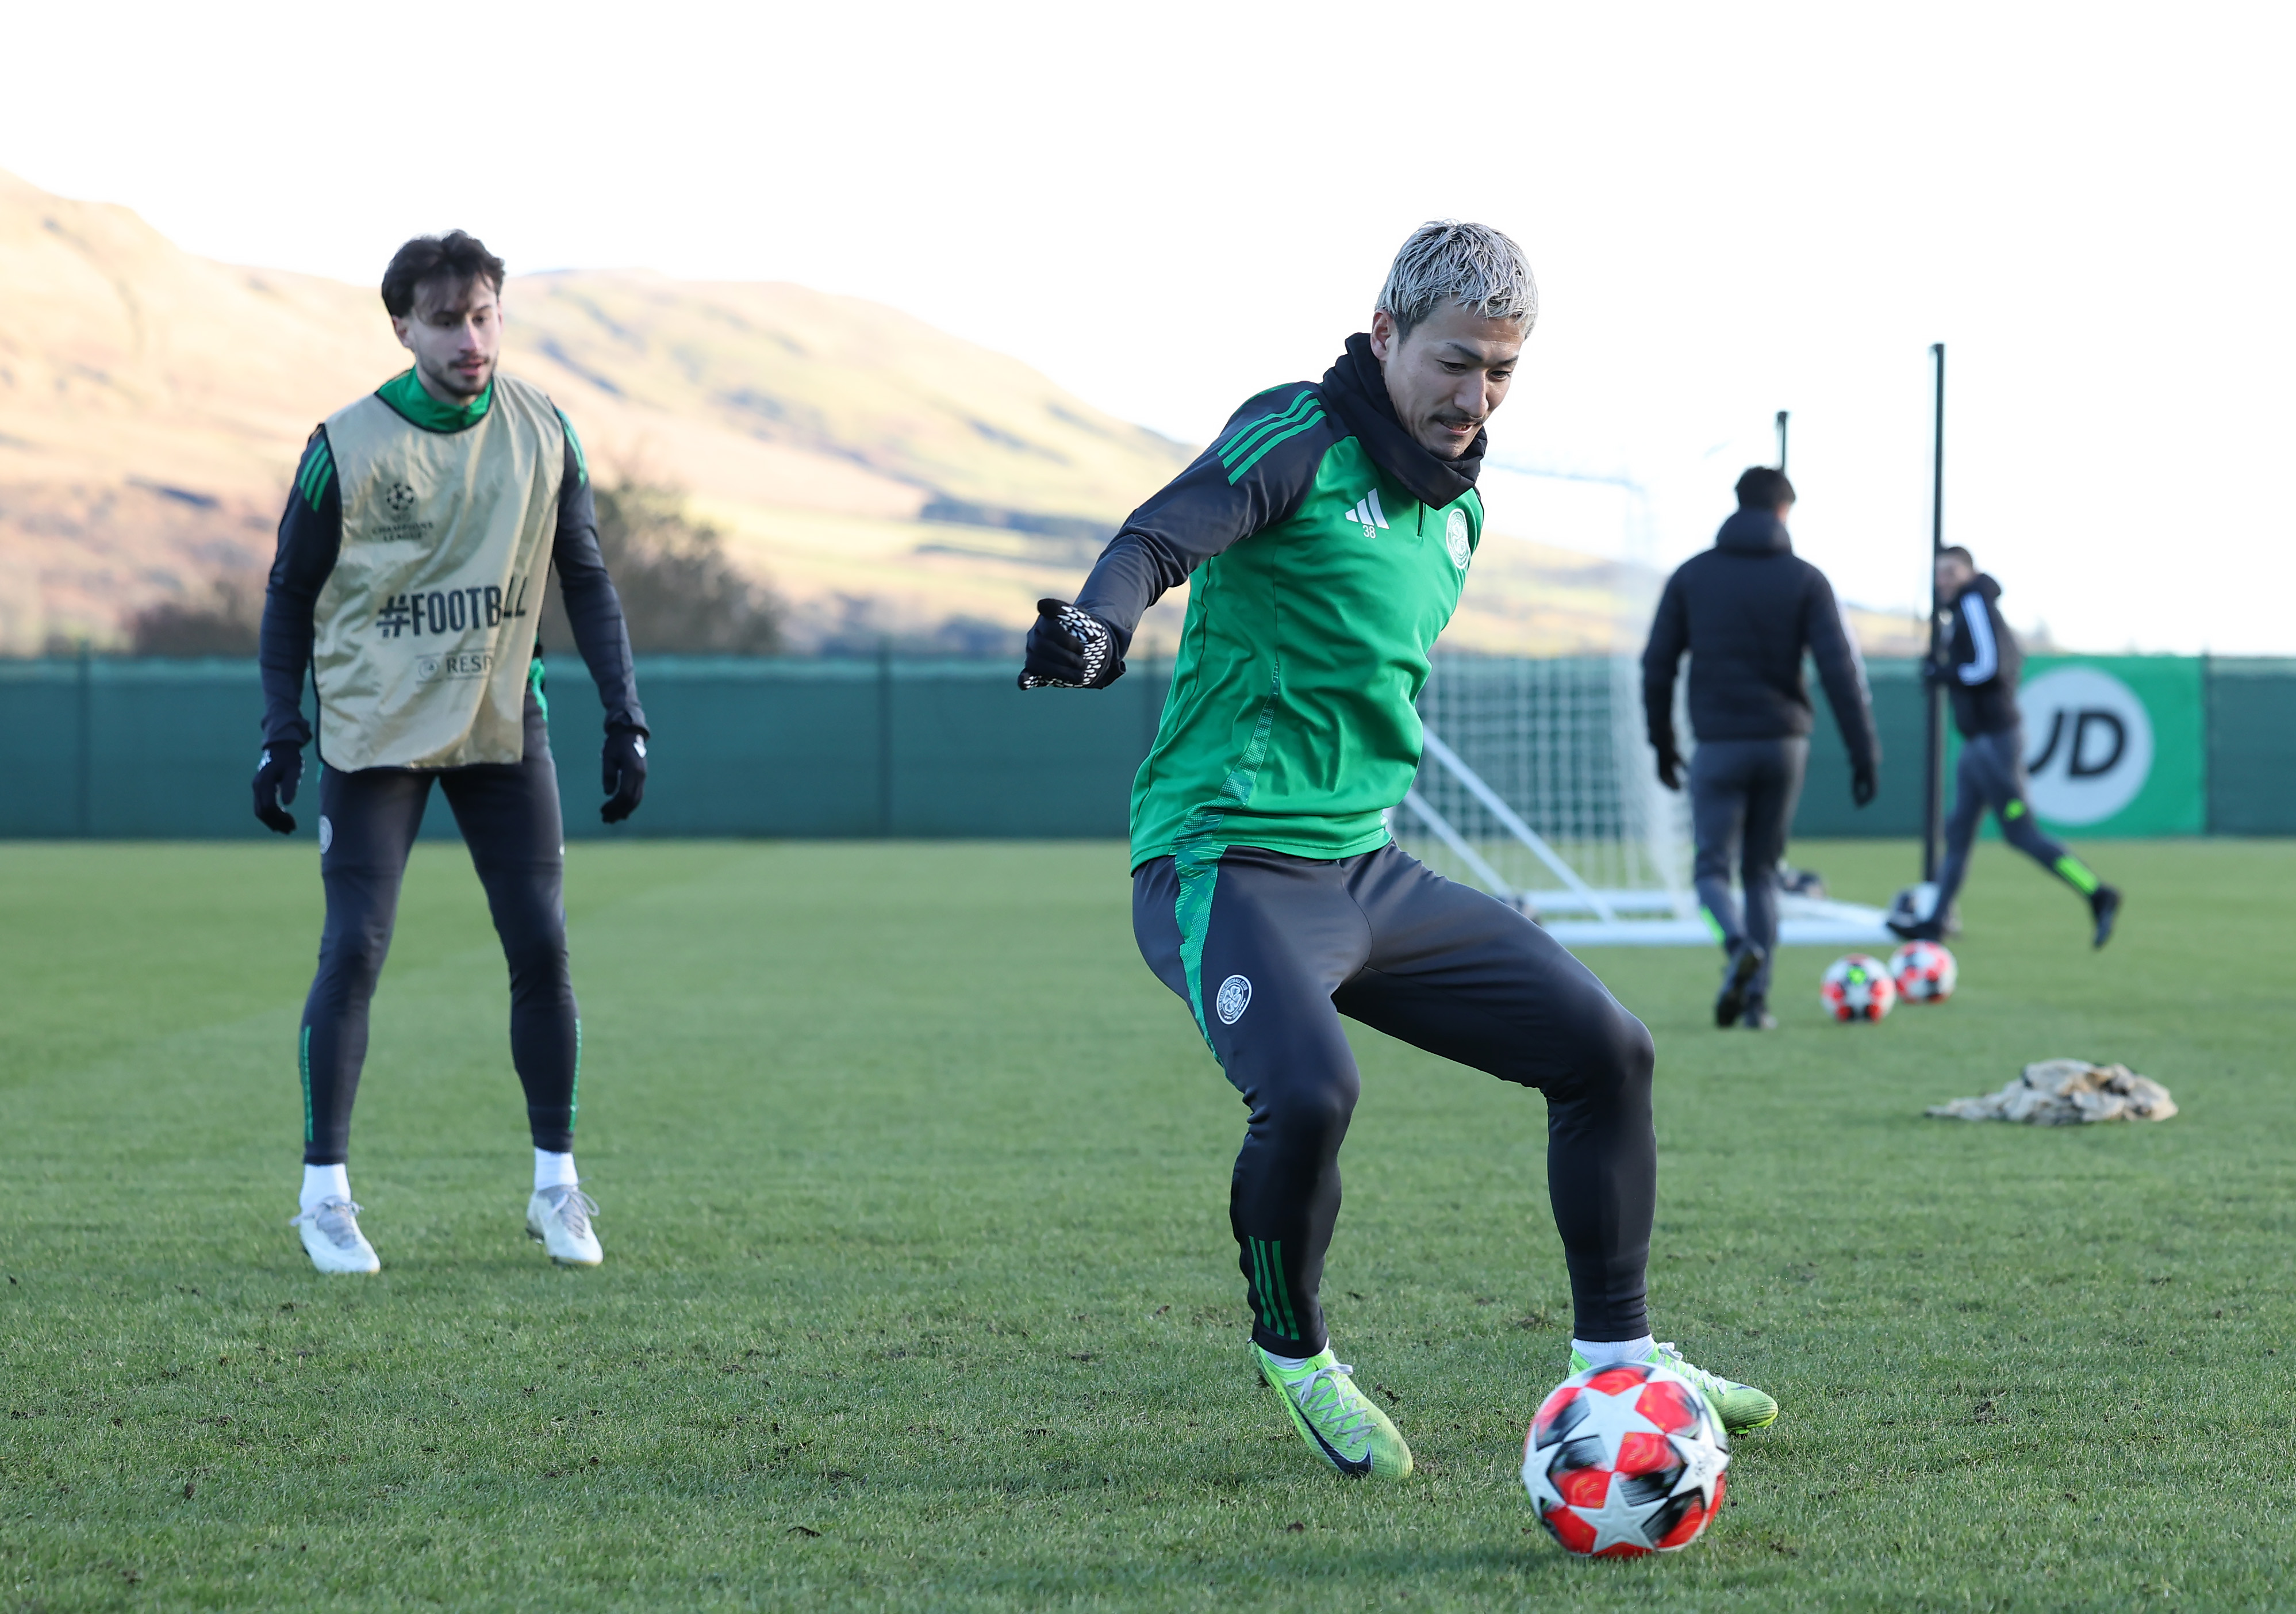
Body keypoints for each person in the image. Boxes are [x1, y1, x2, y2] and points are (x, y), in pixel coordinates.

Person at [1018, 221, 1777, 1481]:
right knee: (1310, 1092)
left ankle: (1618, 1358)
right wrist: (1097, 630)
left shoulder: (1462, 503)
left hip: (1364, 874)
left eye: (1499, 372)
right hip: (1223, 865)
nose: (1473, 396)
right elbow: (1156, 540)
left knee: (1606, 1051)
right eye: (1452, 362)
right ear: (1384, 336)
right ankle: (1296, 1350)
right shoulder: (1298, 434)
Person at [253, 231, 650, 1275]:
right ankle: (323, 1197)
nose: (470, 338)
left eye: (484, 316)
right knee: (356, 951)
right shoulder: (344, 445)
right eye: (444, 320)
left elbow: (588, 581)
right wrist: (279, 731)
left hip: (497, 726)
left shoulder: (544, 429)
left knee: (544, 949)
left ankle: (556, 1187)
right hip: (373, 733)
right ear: (402, 327)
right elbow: (287, 594)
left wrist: (625, 715)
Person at [1641, 468, 1880, 1029]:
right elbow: (1839, 671)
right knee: (1763, 872)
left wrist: (1662, 742)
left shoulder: (1692, 576)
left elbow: (1656, 665)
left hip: (1718, 745)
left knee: (1710, 872)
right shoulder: (1805, 579)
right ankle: (1756, 1004)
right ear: (1783, 512)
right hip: (1783, 744)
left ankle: (1736, 943)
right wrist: (1863, 751)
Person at [1911, 547, 2120, 946]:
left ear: (1969, 572)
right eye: (1940, 573)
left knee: (2021, 833)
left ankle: (2096, 891)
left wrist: (1945, 672)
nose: (1944, 580)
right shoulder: (1959, 612)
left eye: (1952, 571)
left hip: (1995, 741)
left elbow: (1991, 665)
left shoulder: (1974, 602)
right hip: (1977, 743)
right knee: (1958, 833)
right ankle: (1934, 923)